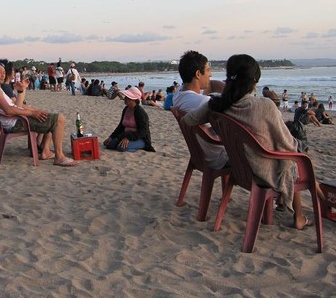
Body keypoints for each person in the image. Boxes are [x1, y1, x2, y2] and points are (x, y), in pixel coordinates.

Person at [183, 54, 323, 230]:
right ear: (254, 81)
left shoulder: (216, 104)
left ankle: (294, 198)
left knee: (284, 147)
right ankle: (300, 215)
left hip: (239, 167)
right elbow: (289, 145)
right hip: (263, 171)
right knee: (296, 150)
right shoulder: (264, 105)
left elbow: (188, 120)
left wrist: (217, 129)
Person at [0, 62, 77, 166]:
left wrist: (21, 91)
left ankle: (45, 150)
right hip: (16, 123)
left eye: (4, 72)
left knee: (48, 115)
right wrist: (32, 113)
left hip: (16, 120)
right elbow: (9, 110)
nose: (3, 75)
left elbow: (17, 106)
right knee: (60, 119)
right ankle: (59, 157)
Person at [172, 50, 227, 169]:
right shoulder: (203, 103)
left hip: (198, 155)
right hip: (217, 156)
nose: (210, 74)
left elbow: (210, 85)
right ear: (198, 74)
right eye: (208, 70)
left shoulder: (179, 94)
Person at [103, 86, 154, 153]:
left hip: (139, 138)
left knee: (121, 147)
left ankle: (139, 147)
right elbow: (121, 126)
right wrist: (111, 137)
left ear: (133, 100)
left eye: (127, 97)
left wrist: (129, 138)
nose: (125, 99)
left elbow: (143, 131)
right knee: (109, 144)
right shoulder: (126, 109)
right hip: (125, 135)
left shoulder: (139, 112)